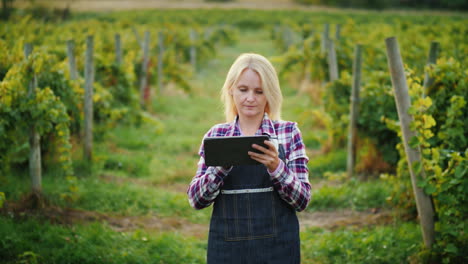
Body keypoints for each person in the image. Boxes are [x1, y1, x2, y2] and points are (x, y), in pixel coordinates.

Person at [187, 53, 311, 264]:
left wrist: (276, 167)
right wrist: (220, 168)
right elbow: (196, 200)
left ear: (269, 95)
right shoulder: (216, 136)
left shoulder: (288, 133)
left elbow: (302, 201)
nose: (250, 98)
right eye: (243, 90)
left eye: (259, 91)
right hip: (227, 252)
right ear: (231, 90)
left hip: (278, 250)